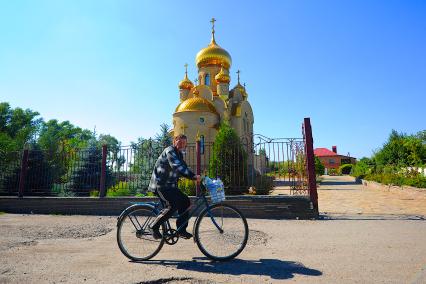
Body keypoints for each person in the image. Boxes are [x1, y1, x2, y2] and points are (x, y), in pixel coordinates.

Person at [148, 134, 201, 240]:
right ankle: (153, 227)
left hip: (171, 186)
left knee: (185, 201)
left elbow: (184, 167)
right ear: (174, 141)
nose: (182, 145)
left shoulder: (179, 154)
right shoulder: (170, 151)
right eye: (180, 142)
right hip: (161, 185)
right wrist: (193, 177)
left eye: (184, 143)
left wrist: (198, 178)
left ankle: (181, 230)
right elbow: (177, 166)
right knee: (173, 205)